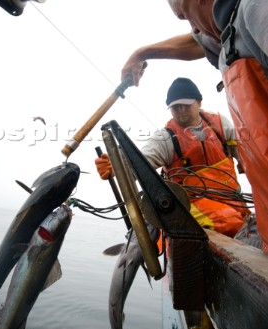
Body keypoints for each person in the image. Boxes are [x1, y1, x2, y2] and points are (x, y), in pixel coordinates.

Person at [120, 0, 268, 251]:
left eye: (185, 15)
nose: (195, 28)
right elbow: (197, 43)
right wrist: (143, 53)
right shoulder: (232, 26)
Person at [95, 77, 256, 240]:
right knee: (228, 221)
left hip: (233, 201)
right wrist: (115, 167)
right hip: (191, 207)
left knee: (254, 224)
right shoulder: (165, 138)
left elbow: (249, 158)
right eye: (174, 107)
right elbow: (137, 165)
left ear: (199, 102)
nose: (180, 109)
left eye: (185, 104)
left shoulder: (221, 124)